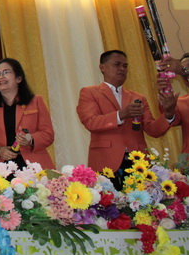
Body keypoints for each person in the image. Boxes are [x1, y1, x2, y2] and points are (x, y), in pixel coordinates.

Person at [76, 49, 177, 183]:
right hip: (106, 161)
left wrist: (168, 114)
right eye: (117, 64)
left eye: (125, 66)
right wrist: (122, 114)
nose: (122, 69)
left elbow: (152, 130)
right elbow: (90, 122)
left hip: (138, 162)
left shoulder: (138, 97)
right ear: (102, 67)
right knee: (109, 196)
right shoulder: (90, 92)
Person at [0, 58, 55, 170]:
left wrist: (30, 139)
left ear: (19, 78)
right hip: (1, 168)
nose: (1, 77)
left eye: (6, 72)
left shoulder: (36, 101)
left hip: (34, 166)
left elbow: (48, 134)